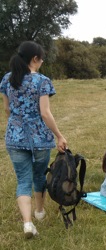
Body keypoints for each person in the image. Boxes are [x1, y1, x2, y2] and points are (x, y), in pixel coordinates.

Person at [1, 41, 67, 239]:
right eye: (41, 58)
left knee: (23, 180)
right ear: (34, 59)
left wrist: (16, 125)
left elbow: (7, 109)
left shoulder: (7, 79)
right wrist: (59, 135)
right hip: (39, 138)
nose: (42, 61)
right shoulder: (42, 81)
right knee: (39, 176)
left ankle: (28, 223)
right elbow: (45, 113)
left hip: (14, 136)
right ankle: (39, 211)